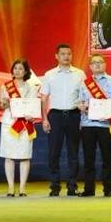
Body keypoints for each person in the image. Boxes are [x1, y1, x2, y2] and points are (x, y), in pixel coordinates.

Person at [40, 44, 85, 196]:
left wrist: (82, 117)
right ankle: (54, 186)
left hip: (74, 115)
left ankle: (72, 186)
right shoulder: (49, 74)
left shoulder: (80, 74)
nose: (66, 56)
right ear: (56, 56)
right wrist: (44, 119)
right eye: (63, 54)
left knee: (73, 152)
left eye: (69, 54)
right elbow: (44, 98)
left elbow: (84, 96)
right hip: (55, 116)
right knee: (54, 152)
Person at [79, 54, 111, 197]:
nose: (97, 65)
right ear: (90, 66)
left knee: (107, 158)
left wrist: (107, 108)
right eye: (94, 62)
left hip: (105, 125)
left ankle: (108, 189)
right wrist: (81, 106)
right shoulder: (85, 83)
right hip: (87, 124)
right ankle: (89, 189)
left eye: (100, 62)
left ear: (105, 64)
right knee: (88, 158)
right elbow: (80, 101)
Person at [0, 58, 38, 197]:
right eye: (15, 68)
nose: (17, 71)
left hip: (25, 124)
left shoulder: (31, 87)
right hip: (9, 123)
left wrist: (31, 115)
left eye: (21, 68)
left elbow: (33, 105)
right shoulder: (6, 86)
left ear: (26, 71)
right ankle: (10, 187)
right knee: (8, 156)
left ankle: (22, 188)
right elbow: (1, 106)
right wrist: (4, 103)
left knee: (24, 156)